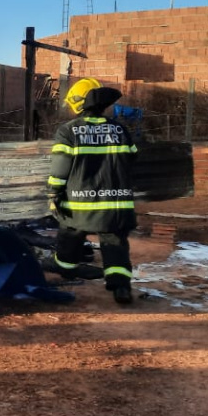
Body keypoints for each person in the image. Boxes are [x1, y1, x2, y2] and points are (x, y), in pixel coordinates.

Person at [43, 78, 138, 304]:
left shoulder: (69, 131)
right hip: (116, 205)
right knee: (114, 242)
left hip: (80, 204)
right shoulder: (119, 129)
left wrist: (53, 192)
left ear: (79, 103)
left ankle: (66, 267)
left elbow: (60, 167)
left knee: (70, 233)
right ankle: (121, 286)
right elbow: (133, 157)